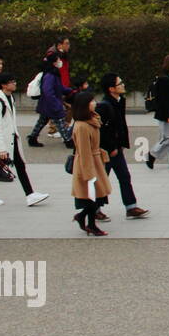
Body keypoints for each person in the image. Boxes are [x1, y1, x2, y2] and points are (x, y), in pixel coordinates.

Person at [0, 73, 50, 209]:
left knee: (19, 166)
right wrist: (1, 148)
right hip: (3, 142)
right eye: (12, 81)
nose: (15, 83)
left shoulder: (9, 98)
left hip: (12, 140)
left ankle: (30, 195)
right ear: (4, 85)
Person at [97, 74, 149, 220]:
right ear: (111, 88)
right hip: (107, 150)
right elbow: (102, 130)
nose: (123, 85)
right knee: (102, 180)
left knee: (124, 176)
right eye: (120, 83)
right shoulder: (104, 105)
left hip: (117, 148)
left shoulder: (119, 100)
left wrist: (121, 144)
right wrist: (110, 147)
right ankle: (94, 209)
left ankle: (131, 207)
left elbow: (120, 125)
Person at [69, 91, 112, 236]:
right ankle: (91, 224)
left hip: (95, 160)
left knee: (97, 196)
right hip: (87, 164)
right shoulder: (81, 126)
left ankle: (83, 218)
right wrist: (89, 173)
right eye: (91, 101)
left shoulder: (92, 120)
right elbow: (84, 151)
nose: (95, 103)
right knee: (92, 196)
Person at [29, 54, 74, 149]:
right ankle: (68, 141)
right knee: (60, 121)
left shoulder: (51, 73)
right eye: (58, 60)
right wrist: (56, 103)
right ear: (54, 63)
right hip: (52, 104)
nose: (60, 62)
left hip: (46, 103)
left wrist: (70, 90)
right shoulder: (51, 75)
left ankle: (32, 138)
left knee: (42, 121)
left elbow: (58, 88)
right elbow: (48, 91)